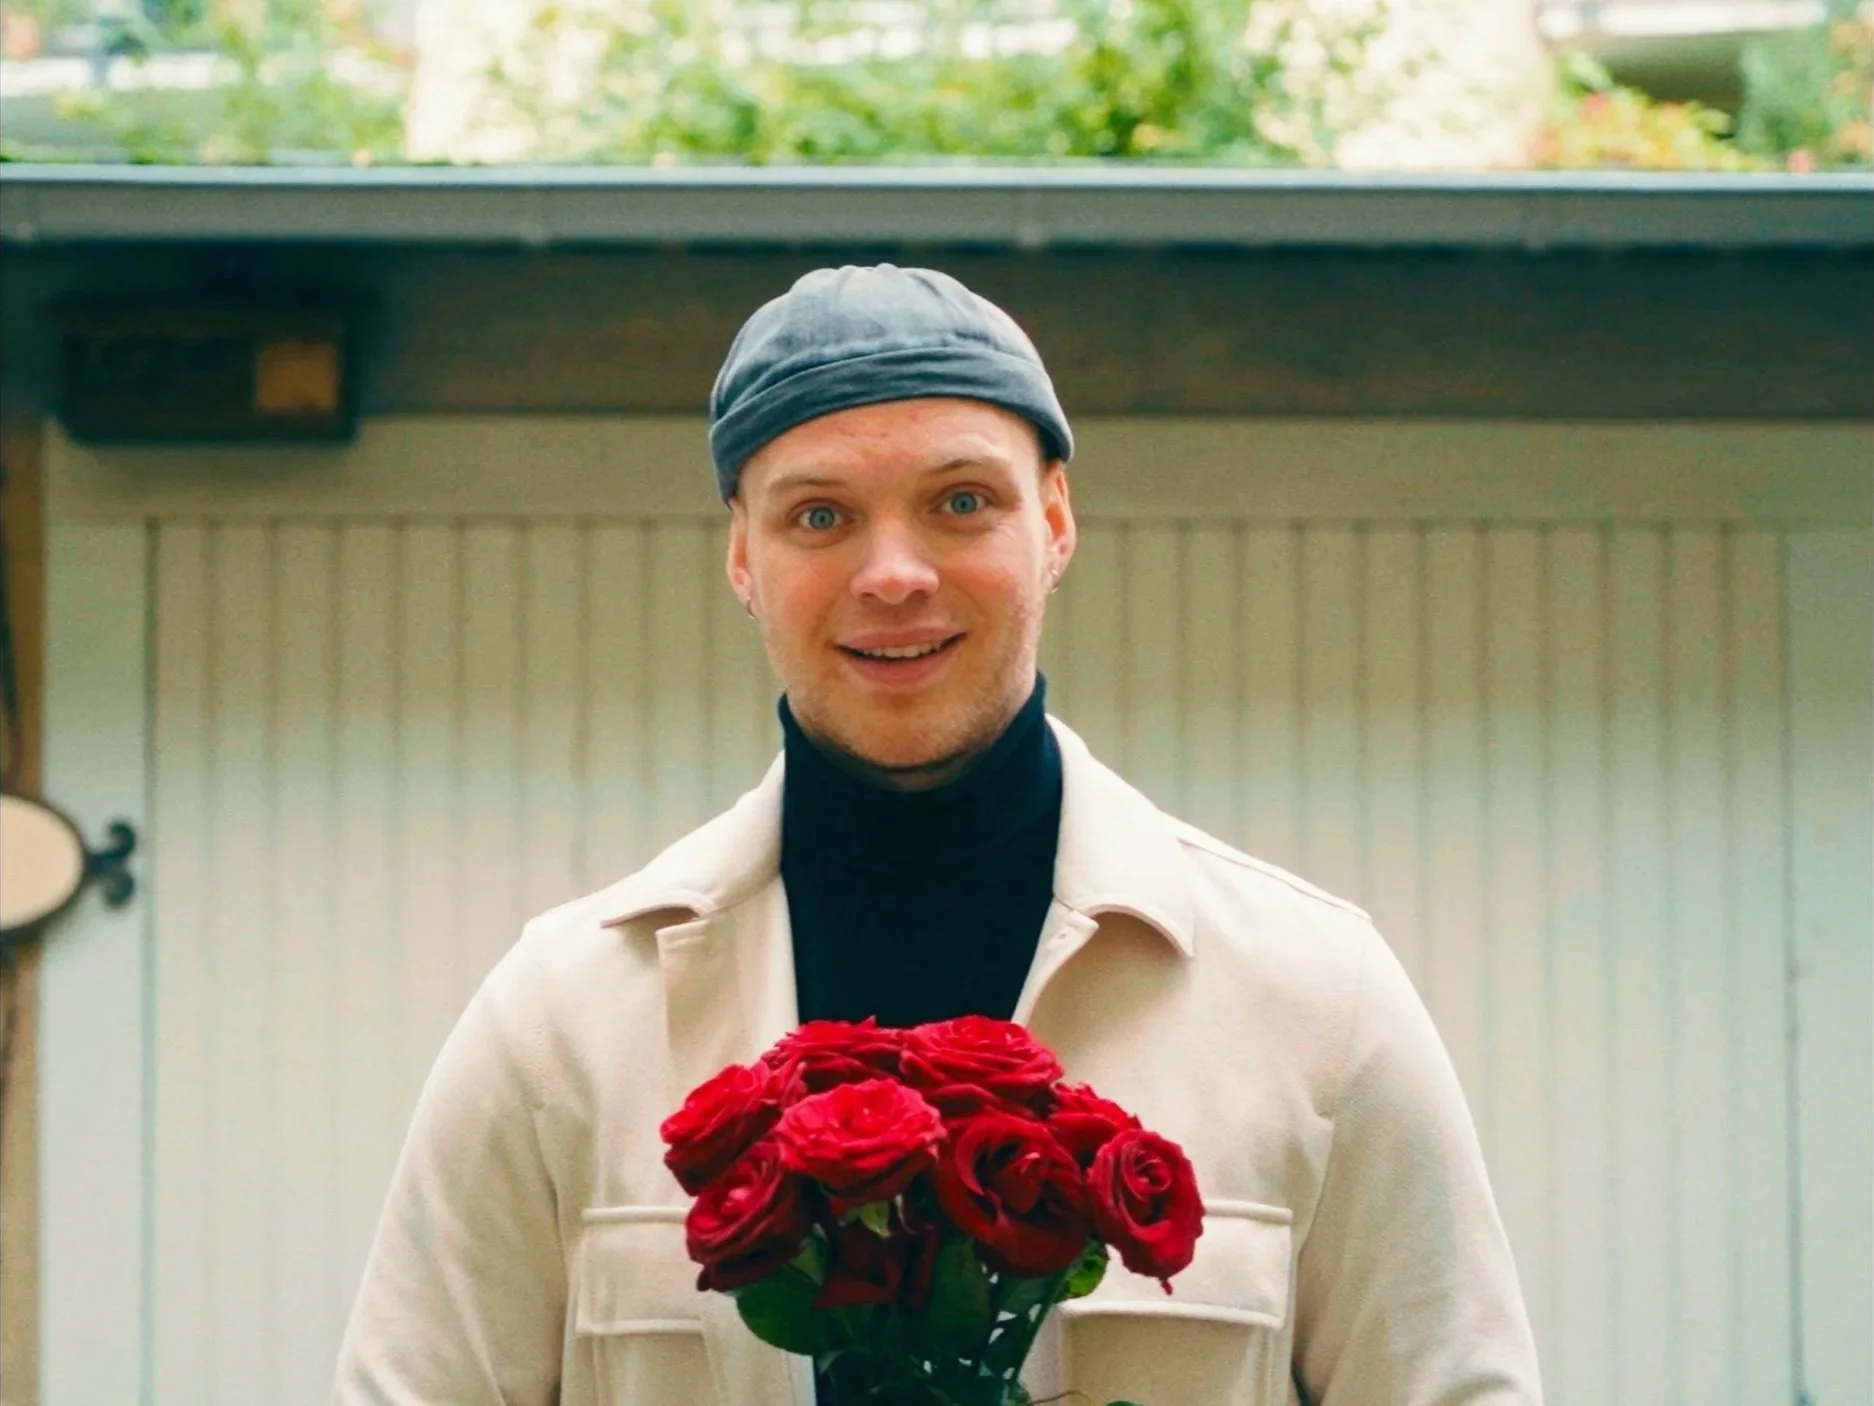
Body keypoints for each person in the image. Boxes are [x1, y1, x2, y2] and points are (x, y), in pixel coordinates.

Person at [333, 265, 1543, 1405]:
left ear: (1055, 522)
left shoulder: (1313, 998)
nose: (895, 572)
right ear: (742, 558)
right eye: (820, 515)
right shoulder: (561, 1019)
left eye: (961, 501)